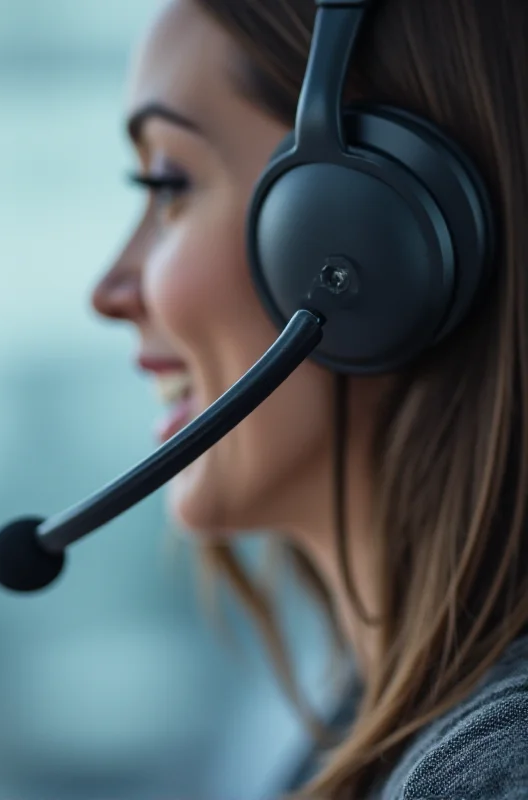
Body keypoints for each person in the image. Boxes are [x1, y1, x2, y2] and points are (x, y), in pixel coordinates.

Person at [90, 0, 528, 797]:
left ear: (359, 230)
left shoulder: (494, 770)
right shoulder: (377, 736)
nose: (108, 290)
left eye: (170, 184)